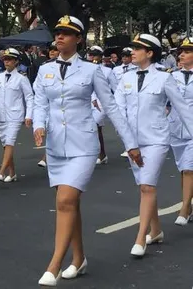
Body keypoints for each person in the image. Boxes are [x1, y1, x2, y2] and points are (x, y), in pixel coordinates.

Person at [34, 16, 142, 286]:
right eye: (57, 33)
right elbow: (39, 102)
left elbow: (113, 108)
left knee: (65, 201)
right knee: (70, 205)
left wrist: (130, 144)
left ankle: (54, 264)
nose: (59, 37)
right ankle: (78, 258)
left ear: (79, 39)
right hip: (56, 146)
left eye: (66, 34)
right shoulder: (44, 69)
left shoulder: (92, 71)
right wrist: (38, 124)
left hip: (83, 145)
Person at [115, 34, 193, 257]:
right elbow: (118, 110)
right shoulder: (125, 78)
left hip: (157, 139)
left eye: (138, 48)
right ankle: (156, 230)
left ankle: (141, 237)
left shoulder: (164, 78)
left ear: (149, 53)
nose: (133, 52)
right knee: (143, 186)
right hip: (133, 142)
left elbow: (183, 109)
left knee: (148, 186)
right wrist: (127, 140)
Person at [0, 48, 33, 182]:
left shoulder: (21, 78)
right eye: (5, 59)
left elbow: (29, 97)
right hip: (1, 115)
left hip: (15, 115)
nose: (6, 62)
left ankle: (1, 171)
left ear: (16, 62)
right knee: (5, 145)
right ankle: (12, 172)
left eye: (9, 60)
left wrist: (28, 115)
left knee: (10, 142)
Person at [169, 38, 193, 226]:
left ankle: (185, 208)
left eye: (187, 51)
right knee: (182, 168)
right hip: (175, 128)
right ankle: (189, 204)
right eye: (181, 51)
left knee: (189, 167)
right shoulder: (171, 76)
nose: (182, 54)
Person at [87, 45, 116, 165]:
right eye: (90, 55)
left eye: (95, 55)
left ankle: (98, 153)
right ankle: (100, 153)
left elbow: (116, 88)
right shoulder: (85, 69)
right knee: (92, 128)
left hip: (101, 102)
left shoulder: (107, 71)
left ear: (100, 57)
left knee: (95, 125)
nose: (92, 57)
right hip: (87, 101)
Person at [112, 47, 137, 158]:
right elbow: (113, 84)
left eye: (127, 56)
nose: (124, 58)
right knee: (122, 120)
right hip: (120, 96)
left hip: (132, 96)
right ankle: (128, 145)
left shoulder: (136, 68)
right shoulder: (116, 69)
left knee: (133, 121)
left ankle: (133, 146)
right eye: (123, 56)